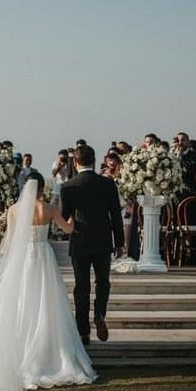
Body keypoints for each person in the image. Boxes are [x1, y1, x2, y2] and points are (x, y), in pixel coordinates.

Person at [0, 173, 95, 391]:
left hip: (22, 260)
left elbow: (10, 240)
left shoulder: (13, 209)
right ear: (43, 188)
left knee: (21, 301)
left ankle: (17, 348)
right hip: (43, 258)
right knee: (45, 303)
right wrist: (75, 219)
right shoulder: (49, 208)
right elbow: (67, 229)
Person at [60, 145, 124, 346]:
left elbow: (64, 218)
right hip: (103, 241)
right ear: (95, 161)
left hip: (79, 241)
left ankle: (83, 332)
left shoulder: (68, 187)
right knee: (103, 281)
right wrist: (119, 242)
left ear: (75, 162)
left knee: (81, 286)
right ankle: (99, 314)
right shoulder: (108, 185)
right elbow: (116, 216)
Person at [173, 132, 196, 199]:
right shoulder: (173, 155)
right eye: (178, 140)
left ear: (188, 142)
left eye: (183, 140)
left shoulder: (194, 154)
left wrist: (180, 156)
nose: (180, 143)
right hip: (175, 192)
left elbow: (189, 169)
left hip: (189, 191)